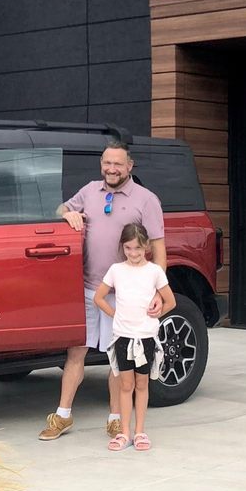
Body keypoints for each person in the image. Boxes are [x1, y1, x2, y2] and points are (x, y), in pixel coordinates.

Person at [38, 140, 166, 442]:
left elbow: (160, 251)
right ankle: (63, 415)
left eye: (118, 164)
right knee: (75, 353)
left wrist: (158, 292)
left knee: (117, 359)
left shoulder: (146, 199)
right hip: (87, 288)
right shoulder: (89, 191)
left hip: (124, 295)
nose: (111, 169)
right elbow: (60, 208)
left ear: (129, 166)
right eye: (107, 163)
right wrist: (67, 213)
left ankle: (115, 420)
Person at [94, 223, 176, 451]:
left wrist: (156, 313)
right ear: (123, 247)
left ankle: (140, 431)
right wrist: (115, 314)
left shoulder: (154, 272)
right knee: (125, 385)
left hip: (146, 337)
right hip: (123, 337)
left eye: (138, 248)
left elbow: (171, 302)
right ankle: (124, 433)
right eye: (128, 248)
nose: (133, 253)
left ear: (147, 246)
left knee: (142, 384)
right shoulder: (116, 270)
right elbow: (99, 298)